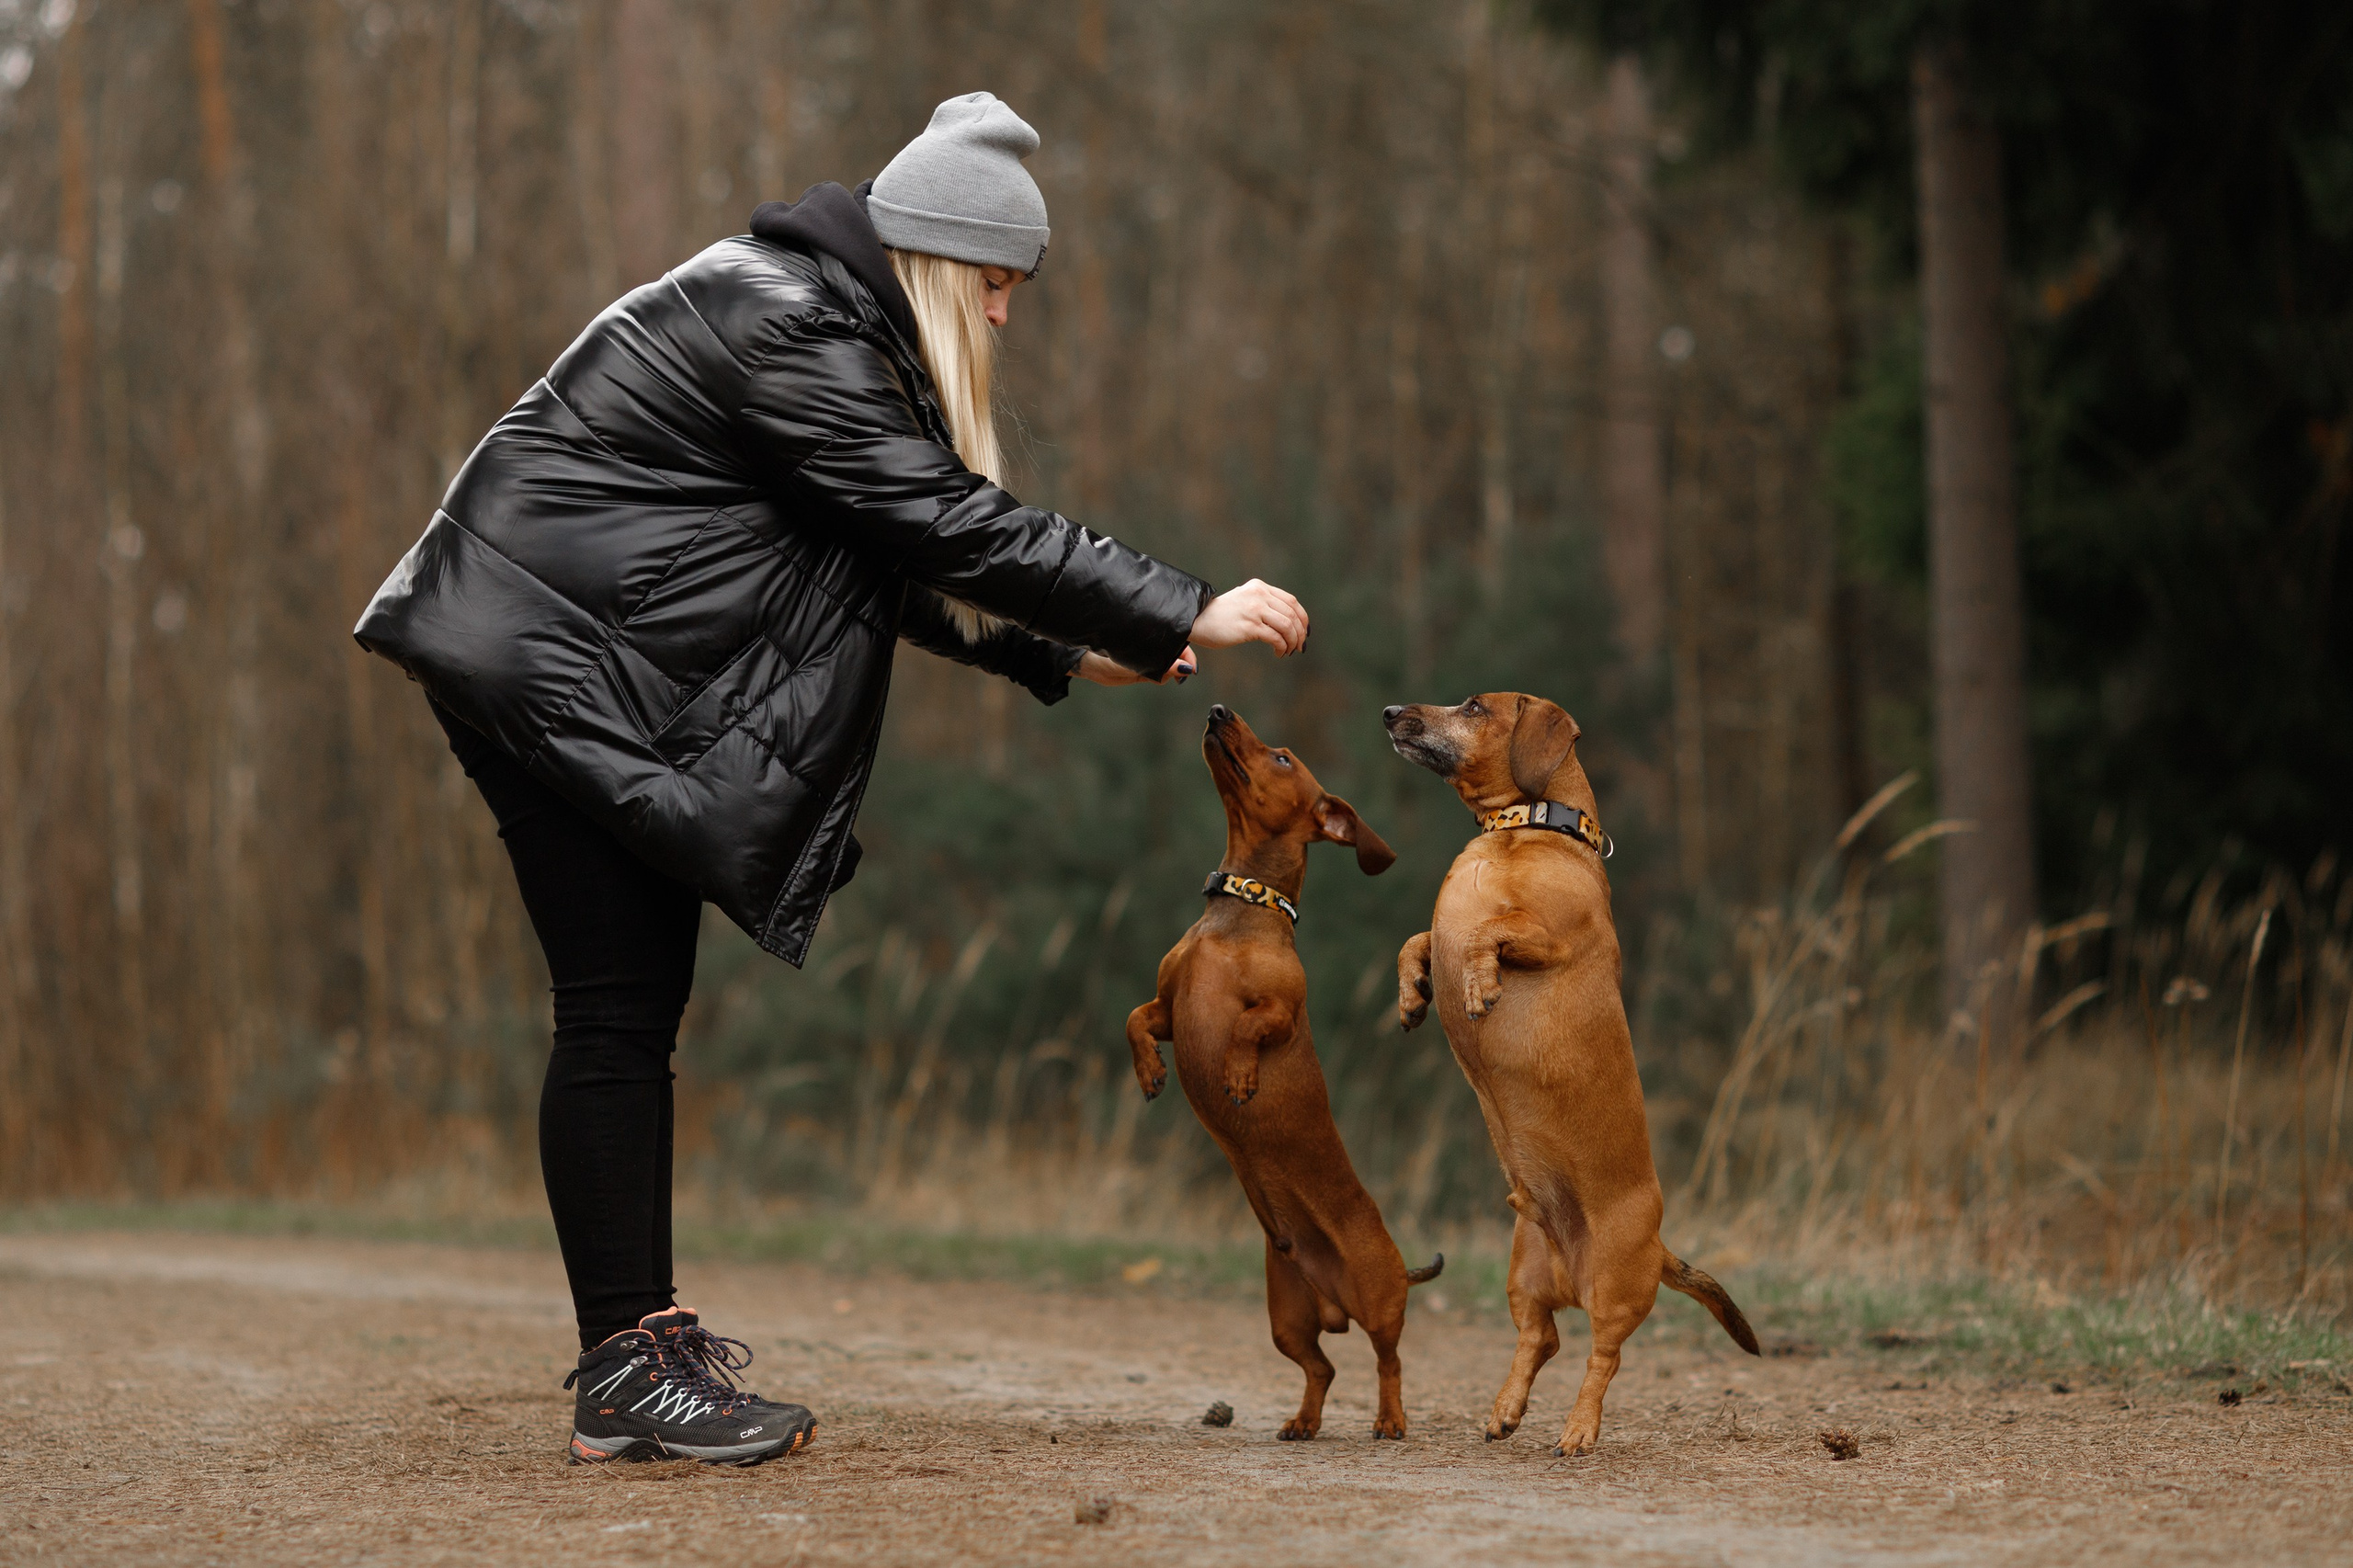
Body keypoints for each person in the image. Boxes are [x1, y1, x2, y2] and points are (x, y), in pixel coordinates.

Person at [352, 92, 1308, 1466]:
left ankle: (636, 1353)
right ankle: (630, 1368)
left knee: (626, 1013)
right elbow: (938, 520)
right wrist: (1181, 604)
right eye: (997, 287)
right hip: (548, 659)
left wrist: (1069, 654)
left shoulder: (810, 314)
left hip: (564, 658)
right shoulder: (790, 320)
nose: (1002, 320)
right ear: (937, 258)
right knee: (618, 1013)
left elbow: (871, 551)